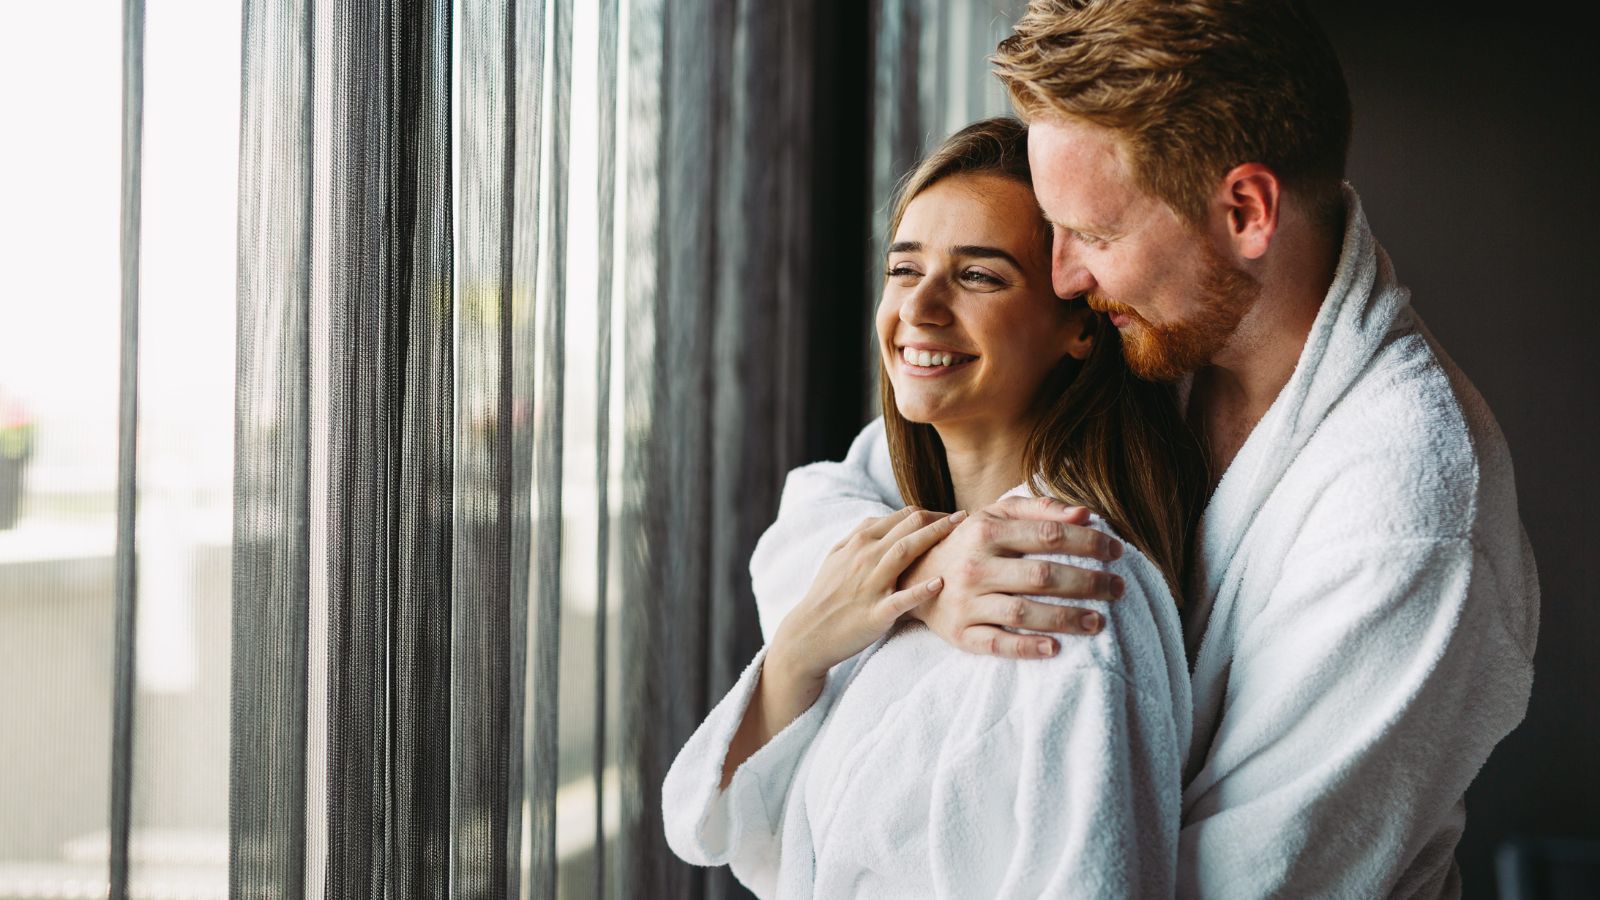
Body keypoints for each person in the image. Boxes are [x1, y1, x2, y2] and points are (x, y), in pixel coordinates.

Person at [748, 1, 1539, 897]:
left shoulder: (1407, 514)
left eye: (1094, 233)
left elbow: (1253, 880)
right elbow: (837, 494)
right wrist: (933, 563)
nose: (1065, 279)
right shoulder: (1160, 336)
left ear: (1245, 210)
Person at [662, 117, 1208, 896]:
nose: (919, 308)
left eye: (979, 276)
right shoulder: (892, 510)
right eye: (903, 268)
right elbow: (759, 831)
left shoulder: (1065, 593)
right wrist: (798, 653)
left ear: (1080, 327)